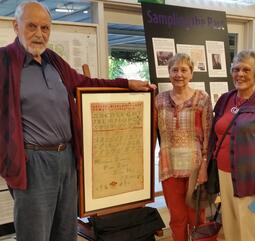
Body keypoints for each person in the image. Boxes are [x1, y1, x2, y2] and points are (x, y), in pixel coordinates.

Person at [0, 1, 155, 241]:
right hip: (34, 162)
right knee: (35, 234)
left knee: (65, 231)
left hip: (67, 159)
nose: (39, 34)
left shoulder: (53, 60)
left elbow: (84, 83)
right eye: (31, 26)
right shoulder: (4, 61)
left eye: (45, 28)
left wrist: (125, 83)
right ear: (16, 26)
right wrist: (7, 160)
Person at [208, 49, 255, 241]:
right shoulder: (225, 98)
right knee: (230, 227)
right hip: (224, 175)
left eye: (246, 70)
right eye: (236, 69)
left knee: (248, 231)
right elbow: (215, 135)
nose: (240, 74)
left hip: (251, 179)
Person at [155, 53, 213, 241]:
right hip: (169, 167)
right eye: (174, 70)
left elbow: (208, 134)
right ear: (169, 73)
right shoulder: (159, 100)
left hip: (195, 167)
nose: (179, 74)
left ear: (191, 74)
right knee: (177, 218)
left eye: (183, 70)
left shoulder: (201, 98)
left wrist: (205, 166)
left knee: (197, 218)